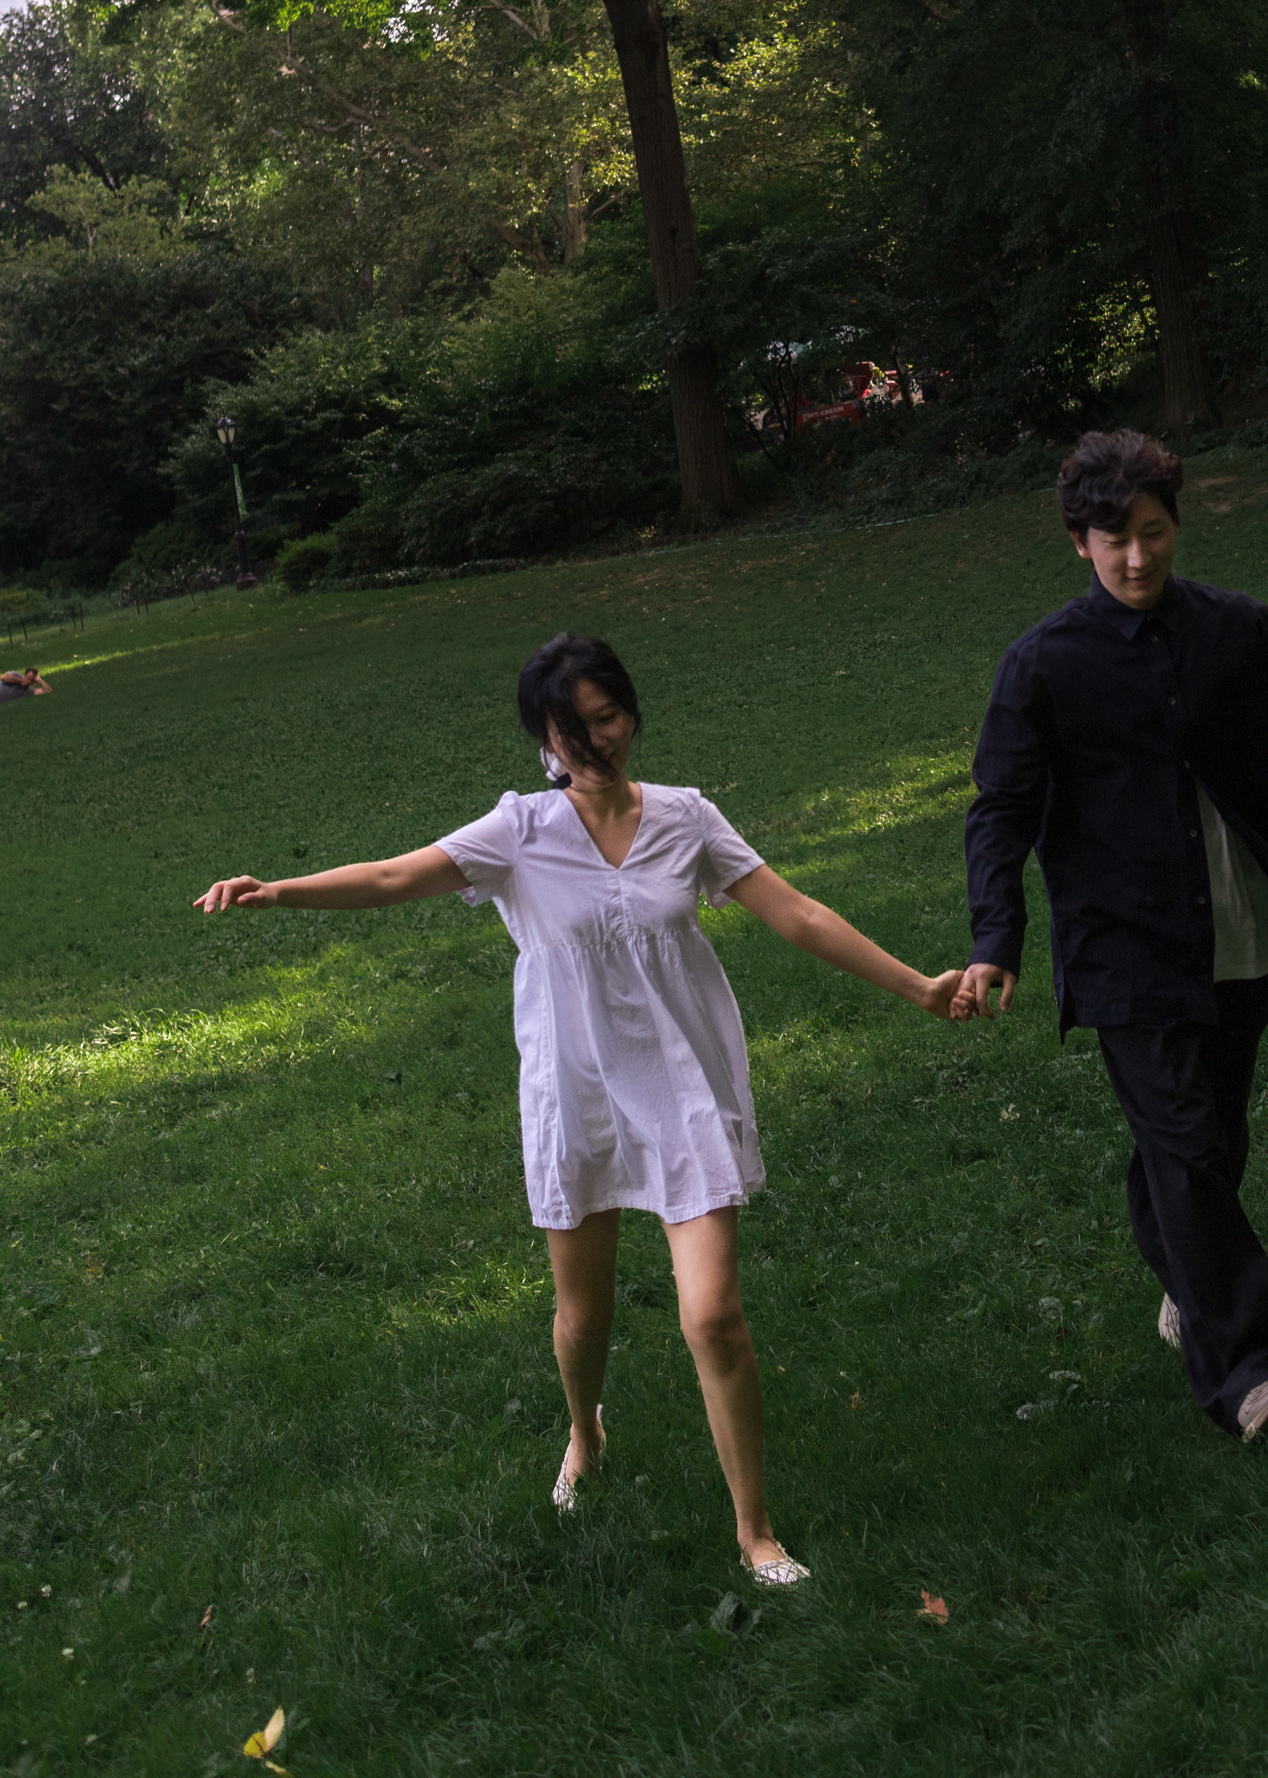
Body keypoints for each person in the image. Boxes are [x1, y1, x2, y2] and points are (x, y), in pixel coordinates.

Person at [197, 631, 965, 1583]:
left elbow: (798, 913)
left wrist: (919, 989)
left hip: (683, 1088)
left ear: (630, 713)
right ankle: (585, 1430)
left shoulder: (687, 818)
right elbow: (397, 876)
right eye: (572, 730)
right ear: (545, 742)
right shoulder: (518, 832)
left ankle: (754, 1531)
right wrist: (278, 893)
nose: (595, 743)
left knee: (714, 1317)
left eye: (607, 718)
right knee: (583, 1316)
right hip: (578, 1095)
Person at [956, 429, 1268, 1444]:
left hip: (1242, 928)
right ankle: (1255, 1371)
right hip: (1123, 946)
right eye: (1114, 540)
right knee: (1185, 1148)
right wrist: (996, 936)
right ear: (1079, 543)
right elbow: (999, 810)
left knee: (1205, 1144)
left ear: (1175, 525)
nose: (1136, 557)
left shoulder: (1241, 629)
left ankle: (1190, 1281)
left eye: (1152, 533)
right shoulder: (1043, 663)